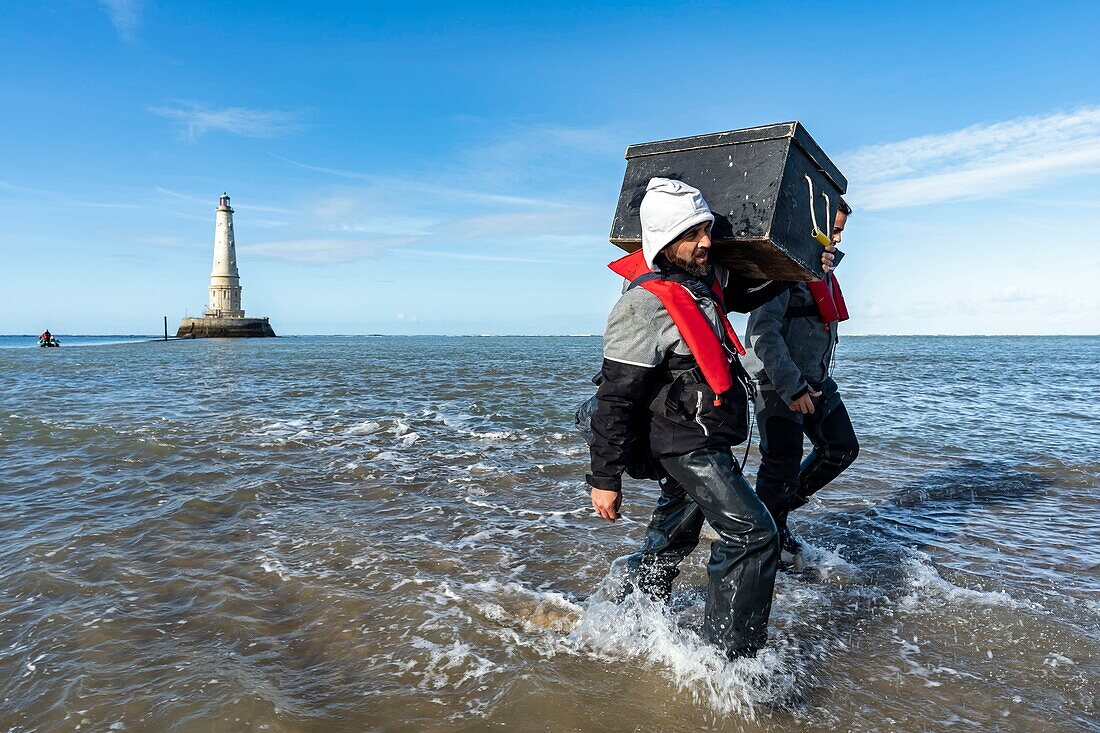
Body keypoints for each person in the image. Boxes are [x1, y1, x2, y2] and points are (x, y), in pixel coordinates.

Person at [586, 178, 836, 659]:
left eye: (705, 230)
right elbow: (616, 398)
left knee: (671, 538)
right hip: (684, 443)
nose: (704, 242)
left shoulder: (705, 281)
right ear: (663, 241)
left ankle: (635, 615)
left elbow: (749, 293)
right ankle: (730, 661)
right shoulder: (642, 305)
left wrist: (805, 265)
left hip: (707, 434)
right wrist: (604, 478)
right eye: (691, 234)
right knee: (753, 534)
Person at [743, 201, 858, 561]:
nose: (837, 239)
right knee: (781, 464)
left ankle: (769, 516)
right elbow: (762, 334)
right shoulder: (782, 269)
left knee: (841, 449)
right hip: (778, 382)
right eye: (833, 230)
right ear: (813, 227)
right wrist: (791, 387)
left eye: (840, 231)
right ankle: (766, 544)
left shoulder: (820, 269)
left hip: (817, 380)